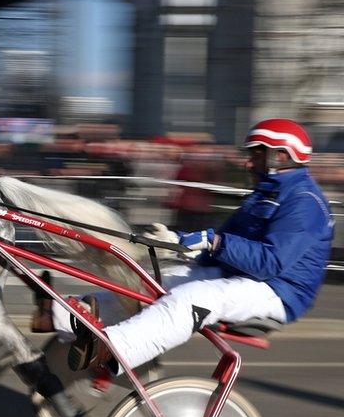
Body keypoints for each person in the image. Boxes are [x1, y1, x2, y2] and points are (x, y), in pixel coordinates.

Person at [32, 118, 335, 373]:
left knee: (191, 297)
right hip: (238, 275)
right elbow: (227, 242)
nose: (248, 162)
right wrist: (176, 242)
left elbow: (270, 261)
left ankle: (115, 348)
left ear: (280, 156)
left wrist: (213, 242)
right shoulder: (265, 194)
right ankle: (59, 314)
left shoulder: (304, 202)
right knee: (148, 280)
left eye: (256, 154)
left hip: (277, 292)